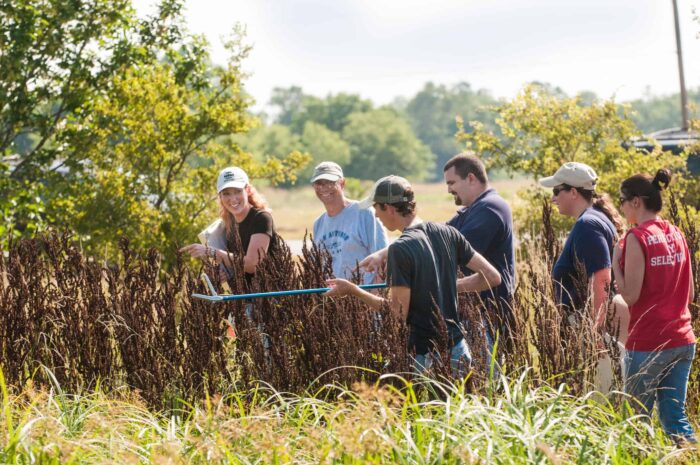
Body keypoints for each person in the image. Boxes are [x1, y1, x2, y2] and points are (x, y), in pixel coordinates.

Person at [326, 175, 502, 377]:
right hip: (458, 350)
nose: (375, 215)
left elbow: (396, 313)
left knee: (422, 409)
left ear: (389, 208)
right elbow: (492, 276)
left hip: (424, 356)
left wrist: (353, 290)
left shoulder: (400, 249)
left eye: (376, 207)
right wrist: (446, 286)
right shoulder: (448, 233)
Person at [611, 169, 696, 444]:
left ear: (636, 202)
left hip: (648, 341)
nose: (621, 206)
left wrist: (616, 264)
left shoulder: (636, 238)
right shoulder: (677, 233)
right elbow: (691, 294)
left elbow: (631, 296)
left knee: (637, 423)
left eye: (622, 200)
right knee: (674, 417)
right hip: (682, 339)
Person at [442, 153, 516, 348]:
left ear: (471, 178)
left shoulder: (490, 208)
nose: (449, 189)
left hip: (489, 315)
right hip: (478, 315)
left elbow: (453, 251)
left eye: (452, 183)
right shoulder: (472, 210)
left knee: (489, 375)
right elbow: (439, 235)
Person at [539, 162, 624, 329]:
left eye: (556, 191)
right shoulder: (596, 217)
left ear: (573, 192)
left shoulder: (588, 225)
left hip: (589, 327)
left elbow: (601, 279)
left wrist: (596, 334)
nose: (553, 198)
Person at [180, 166, 281, 281]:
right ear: (220, 197)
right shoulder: (227, 225)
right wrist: (224, 276)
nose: (233, 199)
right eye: (226, 193)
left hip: (269, 295)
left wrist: (211, 251)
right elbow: (236, 265)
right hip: (243, 296)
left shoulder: (261, 218)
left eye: (237, 191)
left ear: (247, 190)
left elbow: (252, 265)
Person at [311, 161, 388, 283]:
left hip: (362, 295)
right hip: (333, 298)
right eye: (319, 183)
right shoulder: (318, 224)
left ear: (342, 183)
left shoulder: (364, 213)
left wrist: (375, 295)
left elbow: (383, 259)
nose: (324, 188)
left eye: (330, 182)